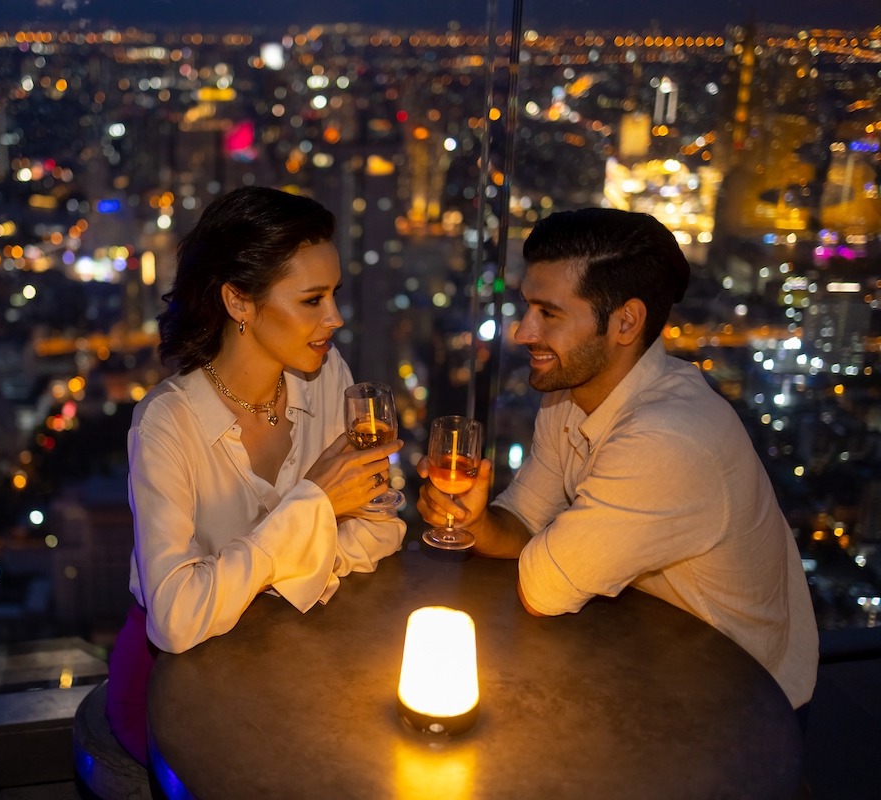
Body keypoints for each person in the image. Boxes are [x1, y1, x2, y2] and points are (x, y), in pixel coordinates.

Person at [418, 207, 818, 712]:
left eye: (550, 314)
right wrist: (477, 521)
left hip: (736, 702)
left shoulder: (666, 439)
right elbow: (523, 519)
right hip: (647, 654)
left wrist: (553, 545)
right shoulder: (569, 394)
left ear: (625, 322)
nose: (523, 332)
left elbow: (544, 588)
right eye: (528, 308)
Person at [106, 186, 406, 764]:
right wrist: (315, 510)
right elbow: (175, 619)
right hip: (176, 687)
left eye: (334, 296)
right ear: (239, 302)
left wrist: (262, 574)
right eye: (312, 300)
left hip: (292, 657)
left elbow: (381, 527)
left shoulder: (325, 376)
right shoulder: (167, 424)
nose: (335, 318)